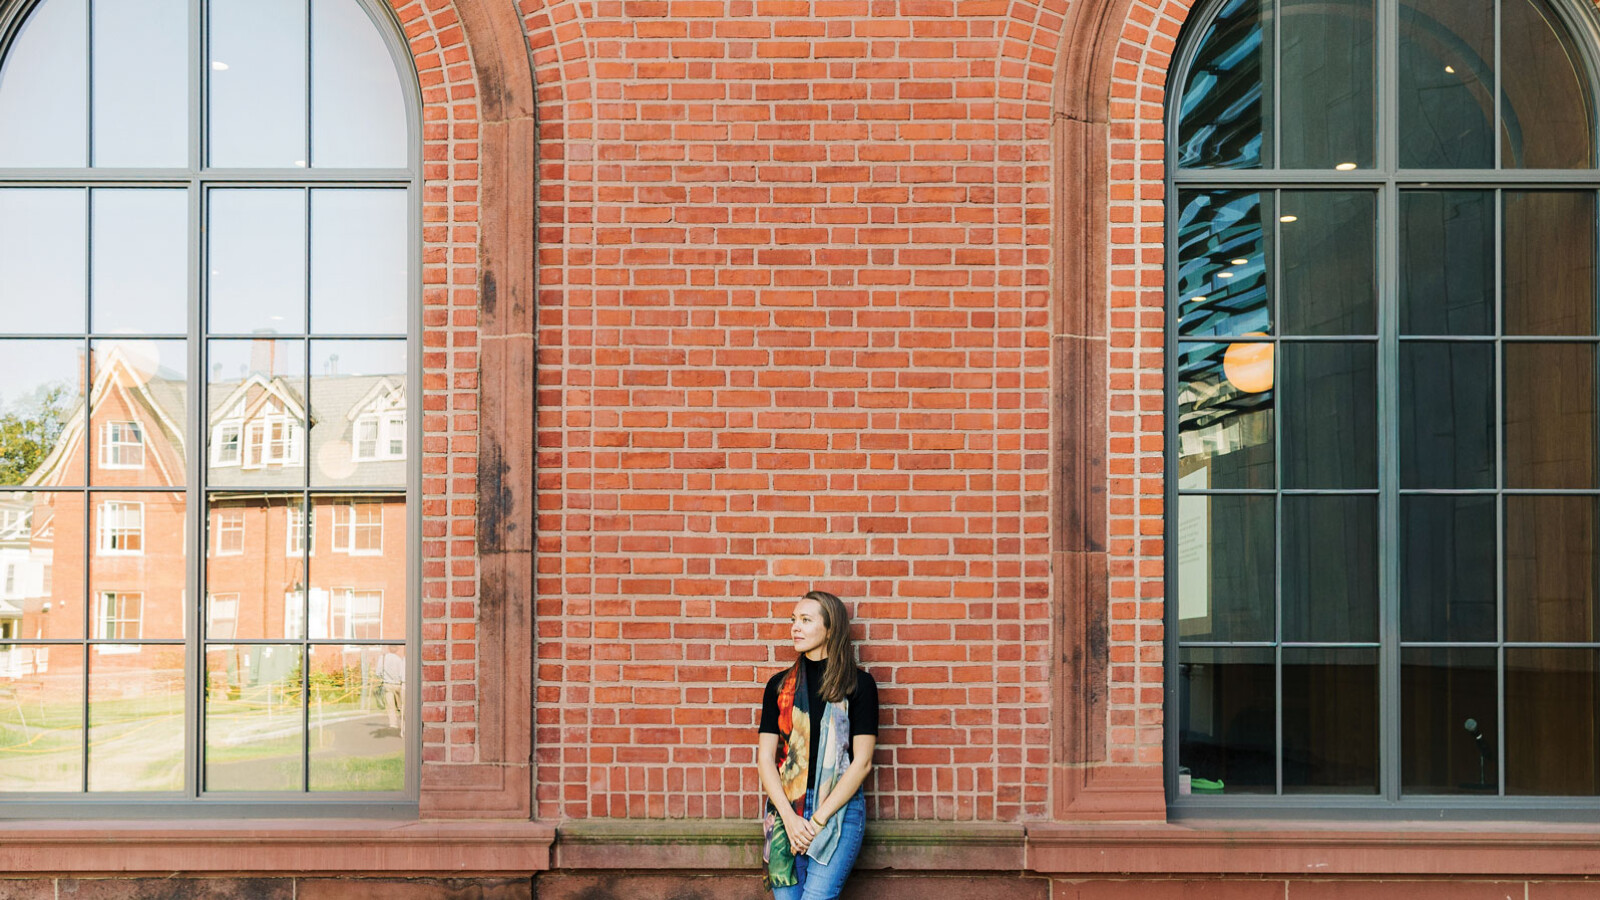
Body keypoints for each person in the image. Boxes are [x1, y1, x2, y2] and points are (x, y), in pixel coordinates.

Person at [757, 590, 878, 899]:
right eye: (794, 620)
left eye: (806, 620)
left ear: (830, 629)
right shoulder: (779, 687)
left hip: (838, 809)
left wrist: (817, 820)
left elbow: (862, 762)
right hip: (786, 813)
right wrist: (790, 818)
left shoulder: (858, 686)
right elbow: (765, 760)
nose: (795, 627)